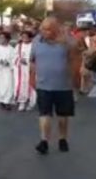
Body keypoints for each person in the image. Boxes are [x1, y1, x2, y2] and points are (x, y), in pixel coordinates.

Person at [31, 17, 81, 155]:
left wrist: (76, 80)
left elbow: (74, 61)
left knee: (62, 116)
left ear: (55, 29)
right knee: (44, 114)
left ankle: (62, 139)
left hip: (63, 86)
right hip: (43, 84)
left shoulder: (67, 41)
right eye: (42, 29)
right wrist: (31, 79)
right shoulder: (37, 41)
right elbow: (33, 61)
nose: (43, 32)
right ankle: (44, 141)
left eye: (47, 29)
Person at [0, 32, 16, 110]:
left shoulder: (11, 49)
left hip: (8, 71)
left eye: (3, 38)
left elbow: (14, 59)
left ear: (7, 39)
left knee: (8, 86)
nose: (1, 39)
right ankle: (1, 100)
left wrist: (9, 63)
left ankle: (7, 102)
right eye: (0, 38)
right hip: (0, 70)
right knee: (0, 86)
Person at [13, 30, 36, 111]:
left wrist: (29, 61)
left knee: (31, 85)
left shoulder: (34, 46)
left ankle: (31, 102)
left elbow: (37, 57)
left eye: (26, 37)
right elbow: (14, 56)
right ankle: (22, 102)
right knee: (22, 85)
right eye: (23, 37)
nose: (24, 38)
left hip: (31, 69)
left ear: (30, 37)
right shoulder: (18, 46)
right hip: (21, 69)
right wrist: (19, 60)